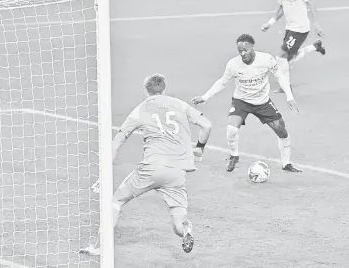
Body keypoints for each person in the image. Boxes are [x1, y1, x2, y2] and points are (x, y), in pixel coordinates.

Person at [80, 74, 213, 255]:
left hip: (151, 168)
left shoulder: (140, 109)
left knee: (116, 201)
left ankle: (99, 247)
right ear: (164, 88)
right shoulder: (179, 104)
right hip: (177, 172)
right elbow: (207, 125)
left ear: (146, 90)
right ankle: (186, 231)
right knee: (177, 223)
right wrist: (199, 148)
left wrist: (104, 173)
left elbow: (118, 141)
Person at [191, 34, 303, 173]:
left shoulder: (266, 59)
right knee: (232, 128)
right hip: (241, 101)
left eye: (246, 50)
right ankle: (234, 155)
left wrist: (289, 97)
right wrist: (205, 97)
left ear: (252, 47)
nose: (243, 53)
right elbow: (222, 82)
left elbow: (280, 76)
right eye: (240, 50)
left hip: (263, 102)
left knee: (282, 130)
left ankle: (286, 163)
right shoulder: (233, 64)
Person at [261, 0, 326, 93]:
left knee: (281, 56)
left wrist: (316, 24)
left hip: (300, 29)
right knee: (288, 58)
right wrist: (270, 23)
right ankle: (314, 47)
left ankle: (286, 86)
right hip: (290, 28)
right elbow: (281, 8)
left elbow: (311, 3)